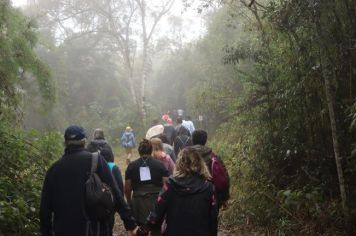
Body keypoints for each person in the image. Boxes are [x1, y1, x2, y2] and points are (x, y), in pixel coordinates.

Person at [40, 125, 137, 236]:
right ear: (84, 141)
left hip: (64, 229)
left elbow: (45, 209)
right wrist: (130, 223)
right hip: (94, 229)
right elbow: (116, 193)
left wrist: (46, 232)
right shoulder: (96, 161)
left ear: (65, 142)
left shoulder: (54, 169)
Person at [137, 147, 218, 236]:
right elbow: (213, 218)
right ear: (200, 164)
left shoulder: (170, 185)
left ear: (179, 163)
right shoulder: (208, 187)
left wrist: (143, 230)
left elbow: (157, 212)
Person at [125, 139, 169, 236]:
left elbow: (127, 188)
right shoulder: (160, 165)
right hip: (157, 202)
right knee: (156, 228)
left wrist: (129, 202)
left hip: (138, 202)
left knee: (140, 228)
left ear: (139, 151)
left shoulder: (131, 166)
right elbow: (166, 185)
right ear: (151, 150)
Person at [191, 129, 230, 210]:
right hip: (212, 197)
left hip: (190, 197)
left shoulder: (185, 157)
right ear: (205, 141)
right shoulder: (213, 157)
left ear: (192, 140)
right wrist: (224, 198)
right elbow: (223, 176)